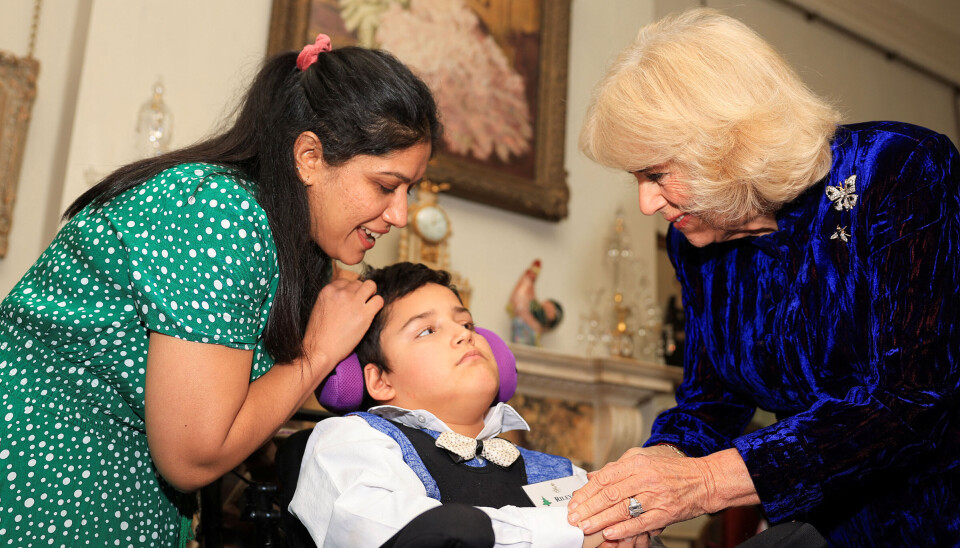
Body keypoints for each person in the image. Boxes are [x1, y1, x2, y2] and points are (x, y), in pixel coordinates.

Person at [0, 34, 441, 547]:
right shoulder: (217, 213)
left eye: (411, 190)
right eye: (386, 186)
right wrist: (319, 352)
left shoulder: (299, 247)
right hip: (42, 481)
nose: (400, 215)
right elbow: (193, 456)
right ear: (309, 157)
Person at [569, 7, 959, 548]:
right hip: (825, 528)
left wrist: (703, 483)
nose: (645, 203)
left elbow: (913, 402)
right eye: (636, 178)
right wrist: (654, 469)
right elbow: (712, 399)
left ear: (729, 143)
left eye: (657, 174)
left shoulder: (898, 171)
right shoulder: (696, 242)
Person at [289, 262, 605, 548]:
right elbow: (428, 535)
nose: (463, 335)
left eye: (466, 323)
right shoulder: (351, 441)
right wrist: (578, 532)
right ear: (381, 380)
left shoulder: (562, 471)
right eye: (427, 330)